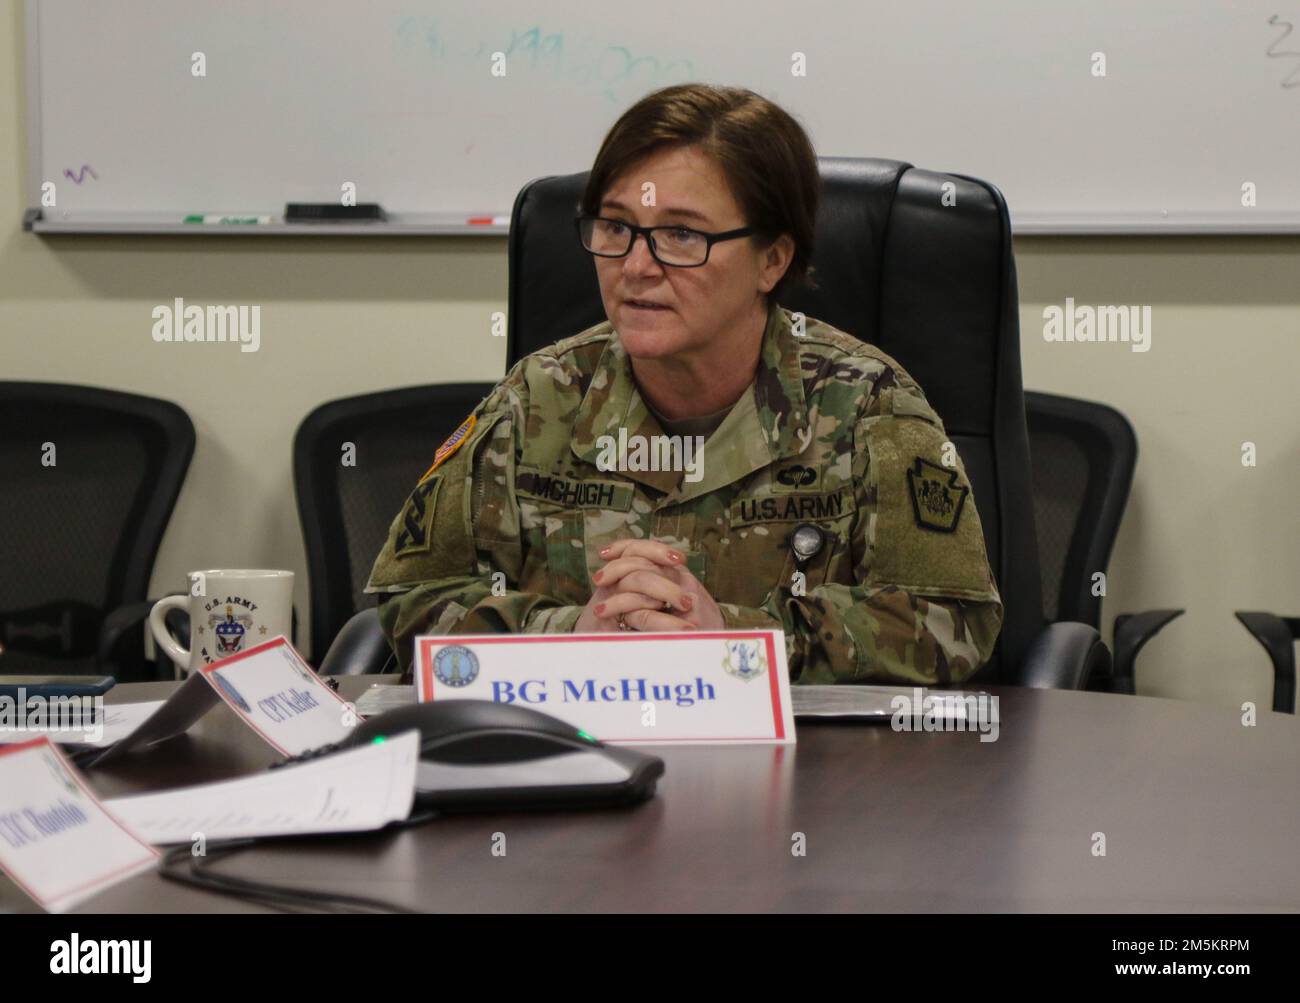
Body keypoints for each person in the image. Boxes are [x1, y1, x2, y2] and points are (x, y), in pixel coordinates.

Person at [365, 83, 1003, 686]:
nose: (636, 267)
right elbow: (412, 599)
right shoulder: (538, 397)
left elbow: (952, 620)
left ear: (772, 260)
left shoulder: (869, 407)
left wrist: (734, 637)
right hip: (580, 761)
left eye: (681, 235)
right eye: (615, 227)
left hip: (809, 777)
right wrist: (566, 634)